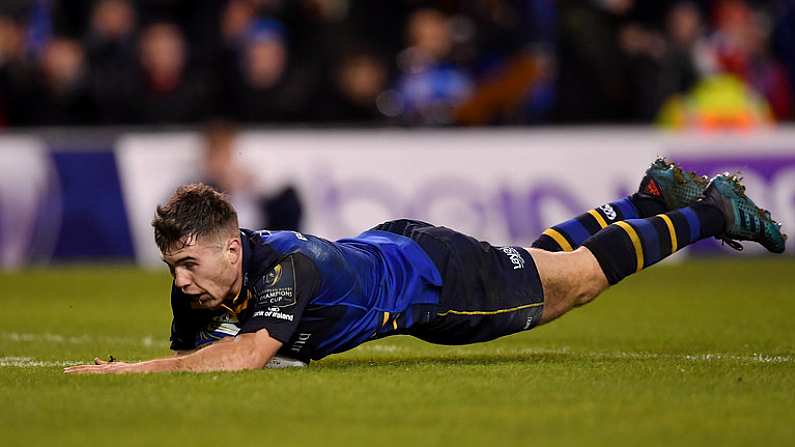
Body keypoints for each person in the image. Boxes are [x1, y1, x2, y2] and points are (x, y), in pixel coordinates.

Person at [64, 159, 786, 374]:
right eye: (172, 267)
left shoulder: (284, 267)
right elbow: (195, 351)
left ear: (230, 247)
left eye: (188, 263)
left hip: (432, 282)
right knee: (541, 264)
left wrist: (124, 374)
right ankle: (645, 197)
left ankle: (712, 212)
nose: (180, 281)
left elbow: (244, 357)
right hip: (400, 249)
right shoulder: (199, 284)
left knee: (574, 285)